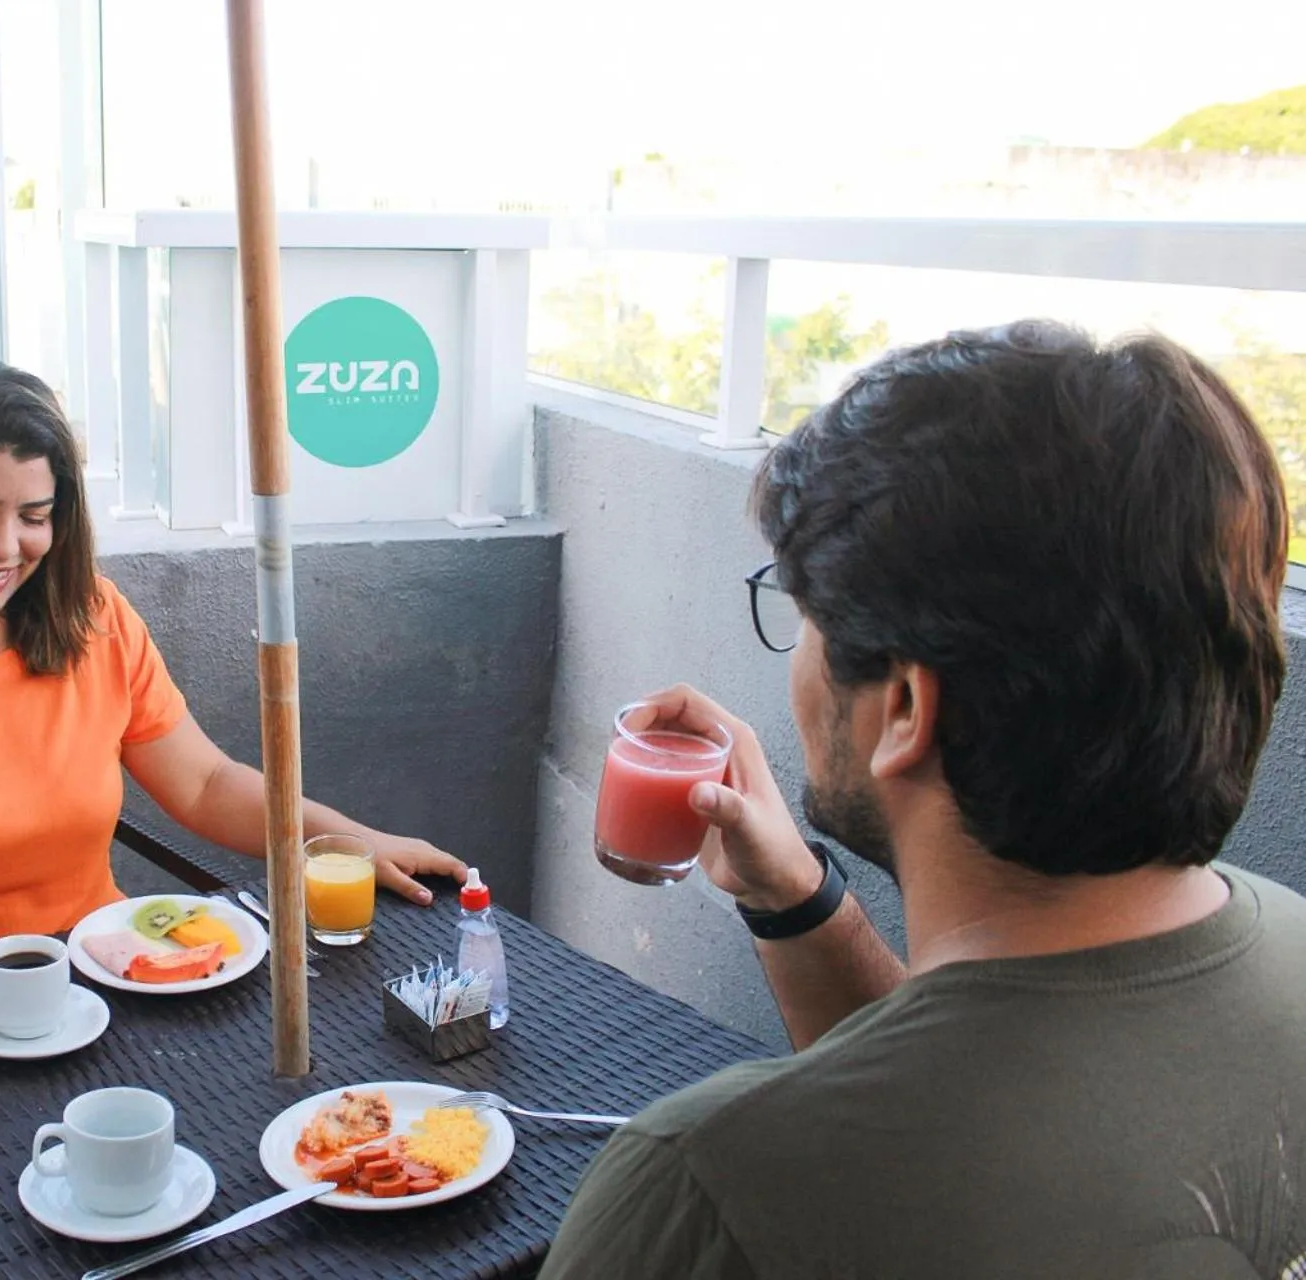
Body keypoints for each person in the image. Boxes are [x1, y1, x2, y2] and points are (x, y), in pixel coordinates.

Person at [543, 322, 1306, 1280]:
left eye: (805, 614)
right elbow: (977, 1075)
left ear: (901, 706)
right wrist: (796, 900)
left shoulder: (715, 1188)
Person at [0, 359, 465, 1028]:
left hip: (95, 984)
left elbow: (203, 784)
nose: (3, 547)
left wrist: (343, 842)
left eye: (34, 517)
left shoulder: (94, 619)